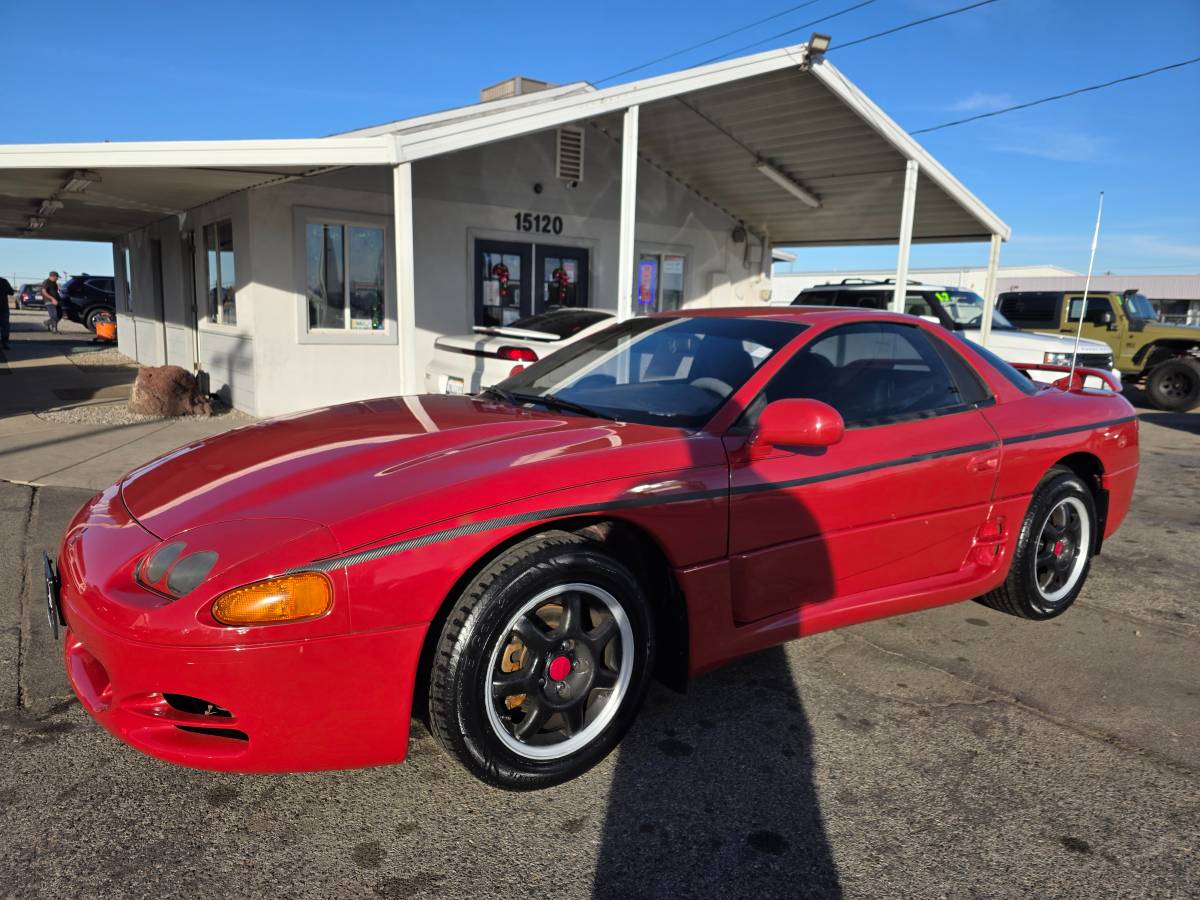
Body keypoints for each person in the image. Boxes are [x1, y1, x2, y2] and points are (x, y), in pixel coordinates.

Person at [0, 274, 12, 349]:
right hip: (3, 307)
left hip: (3, 307)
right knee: (5, 326)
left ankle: (4, 343)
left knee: (5, 326)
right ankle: (4, 343)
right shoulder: (3, 281)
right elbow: (11, 292)